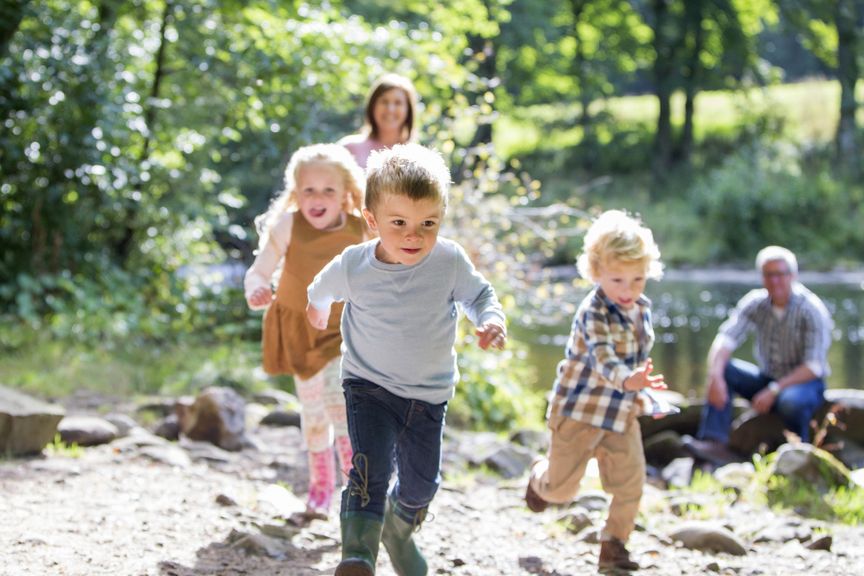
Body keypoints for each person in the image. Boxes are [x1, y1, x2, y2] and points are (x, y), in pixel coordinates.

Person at [306, 143, 507, 576]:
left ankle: (398, 530)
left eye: (427, 223)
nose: (414, 235)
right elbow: (320, 287)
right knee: (368, 470)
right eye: (399, 223)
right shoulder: (354, 265)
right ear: (373, 220)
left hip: (428, 396)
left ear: (441, 218)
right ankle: (358, 555)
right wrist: (318, 308)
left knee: (420, 486)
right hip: (368, 387)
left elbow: (480, 295)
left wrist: (489, 320)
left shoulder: (449, 261)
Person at [525, 210, 666, 572]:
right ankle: (539, 477)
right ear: (596, 272)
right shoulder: (594, 311)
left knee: (631, 481)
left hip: (620, 413)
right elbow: (603, 358)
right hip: (579, 410)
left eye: (638, 279)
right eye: (617, 279)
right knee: (562, 491)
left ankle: (613, 545)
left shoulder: (641, 309)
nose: (628, 289)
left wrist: (648, 396)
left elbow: (637, 362)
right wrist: (627, 380)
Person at [244, 143, 367, 514]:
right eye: (308, 190)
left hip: (342, 333)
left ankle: (355, 489)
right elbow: (259, 270)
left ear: (346, 193)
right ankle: (320, 486)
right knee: (313, 416)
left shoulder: (360, 229)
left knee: (339, 402)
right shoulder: (288, 225)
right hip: (301, 332)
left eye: (328, 190)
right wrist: (256, 289)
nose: (318, 198)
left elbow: (383, 272)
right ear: (296, 193)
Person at [686, 246, 833, 462]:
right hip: (768, 378)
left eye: (780, 274)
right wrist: (715, 376)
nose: (775, 281)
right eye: (768, 275)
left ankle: (798, 451)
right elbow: (726, 339)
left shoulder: (811, 309)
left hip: (805, 383)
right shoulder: (756, 303)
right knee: (724, 369)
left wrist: (774, 390)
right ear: (762, 277)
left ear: (792, 276)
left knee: (790, 401)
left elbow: (814, 367)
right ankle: (714, 444)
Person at [338, 73, 418, 169]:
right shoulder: (348, 149)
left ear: (408, 109)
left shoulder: (418, 158)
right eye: (384, 101)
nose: (390, 109)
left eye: (398, 103)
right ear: (372, 106)